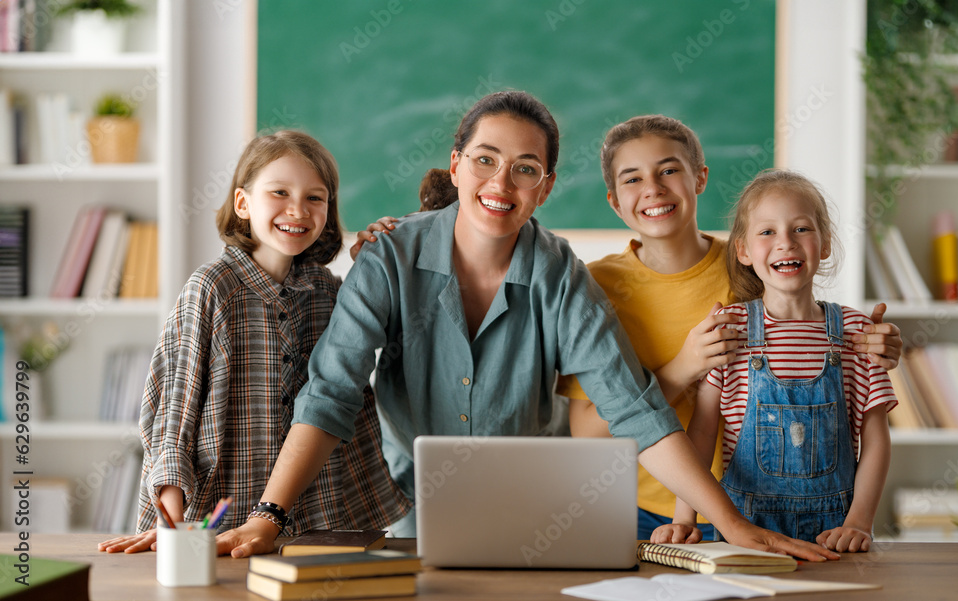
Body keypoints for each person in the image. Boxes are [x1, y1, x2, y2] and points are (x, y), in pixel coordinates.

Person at [216, 91, 840, 561]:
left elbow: (634, 407)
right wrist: (268, 516)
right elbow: (331, 389)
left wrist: (729, 524)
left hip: (538, 515)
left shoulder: (560, 272)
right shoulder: (389, 257)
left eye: (524, 168)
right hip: (406, 509)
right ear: (457, 166)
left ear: (544, 188)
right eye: (485, 160)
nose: (501, 182)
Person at [556, 116, 902, 542]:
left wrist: (881, 345)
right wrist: (683, 367)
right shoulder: (595, 288)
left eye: (669, 170)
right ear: (614, 201)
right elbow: (587, 433)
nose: (653, 188)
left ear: (700, 177)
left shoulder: (756, 264)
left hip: (751, 513)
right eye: (633, 178)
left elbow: (816, 332)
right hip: (640, 510)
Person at [98, 130, 409, 554]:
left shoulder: (331, 292)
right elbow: (173, 415)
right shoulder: (211, 289)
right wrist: (173, 523)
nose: (297, 210)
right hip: (220, 522)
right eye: (279, 192)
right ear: (243, 203)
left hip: (322, 519)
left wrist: (378, 255)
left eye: (315, 198)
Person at [662, 169, 896, 552]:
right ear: (743, 250)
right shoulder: (730, 331)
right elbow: (702, 433)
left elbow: (876, 439)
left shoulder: (857, 332)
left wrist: (860, 523)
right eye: (767, 232)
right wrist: (684, 519)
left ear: (824, 244)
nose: (786, 243)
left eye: (801, 229)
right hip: (746, 534)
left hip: (835, 535)